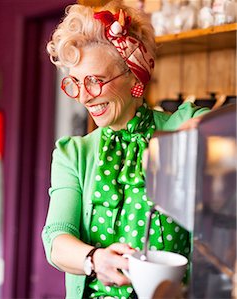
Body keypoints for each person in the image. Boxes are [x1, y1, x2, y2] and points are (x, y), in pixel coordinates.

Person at [41, 1, 209, 298]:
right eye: (76, 83)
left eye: (95, 81)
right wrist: (94, 259)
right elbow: (56, 239)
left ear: (134, 75)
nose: (84, 97)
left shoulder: (181, 126)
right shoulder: (74, 154)